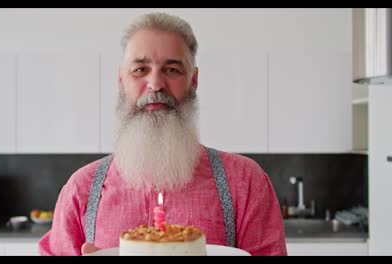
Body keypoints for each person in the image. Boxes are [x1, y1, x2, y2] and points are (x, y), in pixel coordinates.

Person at [38, 12, 287, 256]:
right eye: (140, 69)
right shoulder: (80, 190)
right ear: (121, 80)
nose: (155, 84)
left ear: (194, 80)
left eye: (172, 69)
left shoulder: (246, 183)